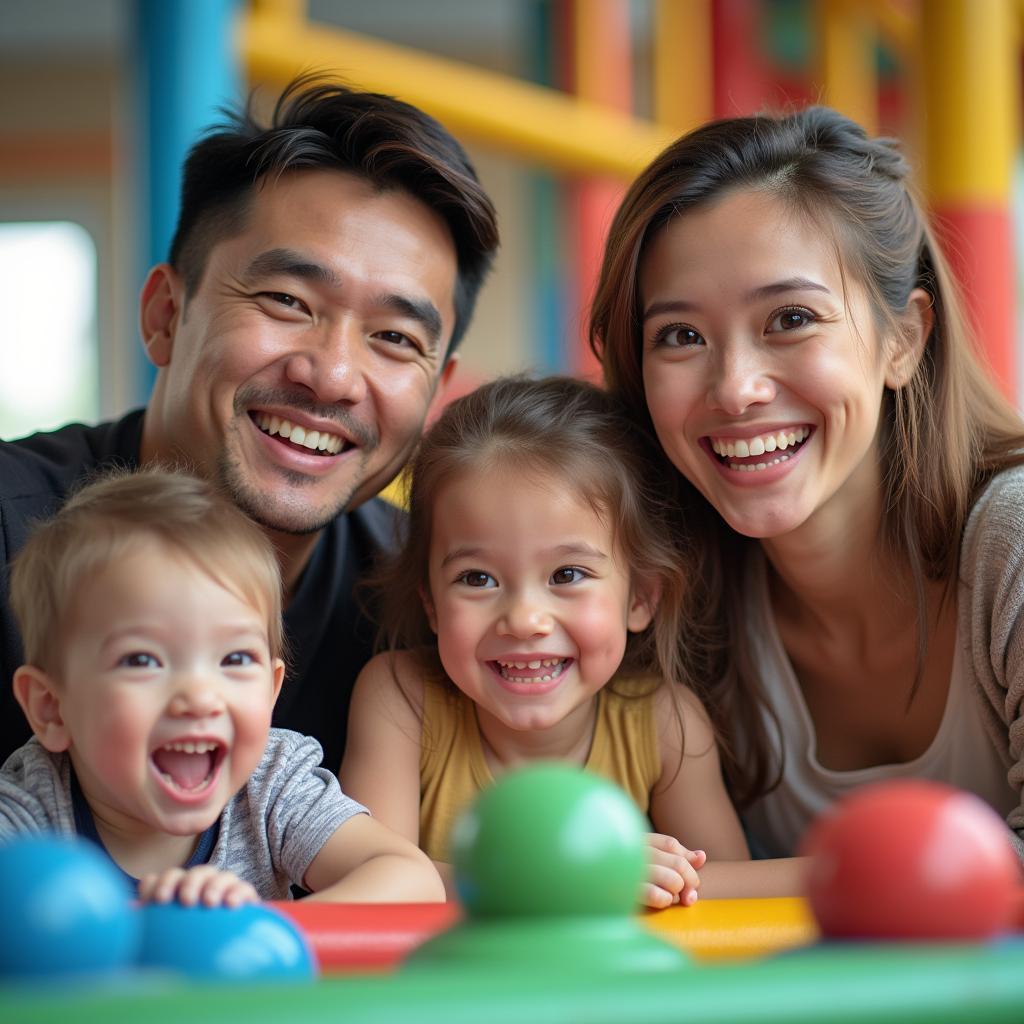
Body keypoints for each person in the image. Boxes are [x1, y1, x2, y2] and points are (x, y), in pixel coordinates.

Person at [0, 73, 500, 770]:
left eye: (394, 338)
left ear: (435, 390)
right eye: (287, 301)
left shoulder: (436, 604)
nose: (331, 375)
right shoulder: (9, 528)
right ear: (165, 316)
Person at [589, 104, 1024, 880]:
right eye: (680, 336)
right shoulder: (656, 593)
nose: (736, 388)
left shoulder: (1012, 544)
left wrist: (717, 889)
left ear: (904, 339)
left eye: (790, 318)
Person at [340, 375, 753, 907]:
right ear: (430, 603)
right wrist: (571, 878)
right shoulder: (400, 698)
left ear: (640, 598)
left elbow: (740, 900)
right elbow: (372, 888)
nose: (525, 619)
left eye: (567, 575)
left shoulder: (665, 722)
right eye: (477, 579)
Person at [0, 468, 445, 906]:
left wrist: (261, 933)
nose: (199, 696)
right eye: (142, 660)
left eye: (234, 659)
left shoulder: (270, 787)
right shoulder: (30, 809)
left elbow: (409, 878)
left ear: (270, 693)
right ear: (51, 707)